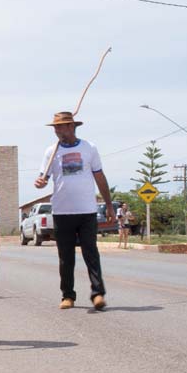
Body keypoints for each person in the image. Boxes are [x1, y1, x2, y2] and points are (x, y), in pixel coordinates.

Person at [34, 112, 114, 311]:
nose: (56, 130)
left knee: (91, 253)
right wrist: (39, 182)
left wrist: (109, 204)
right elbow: (42, 178)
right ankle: (67, 295)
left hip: (86, 210)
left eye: (60, 127)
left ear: (71, 127)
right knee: (65, 256)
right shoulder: (51, 151)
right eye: (55, 127)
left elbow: (100, 177)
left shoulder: (89, 148)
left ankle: (98, 293)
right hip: (62, 211)